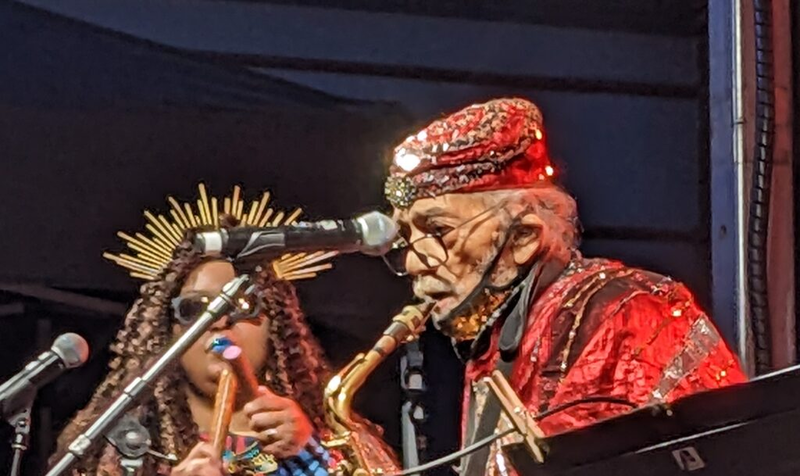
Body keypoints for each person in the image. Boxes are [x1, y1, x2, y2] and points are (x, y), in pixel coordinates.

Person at [381, 98, 747, 476]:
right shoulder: (496, 344)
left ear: (523, 237)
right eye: (407, 236)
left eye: (438, 230)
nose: (412, 263)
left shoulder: (629, 312)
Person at [52, 185, 340, 476]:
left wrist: (312, 453)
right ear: (169, 331)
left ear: (276, 326)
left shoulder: (329, 439)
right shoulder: (117, 449)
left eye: (243, 305)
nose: (219, 321)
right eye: (194, 308)